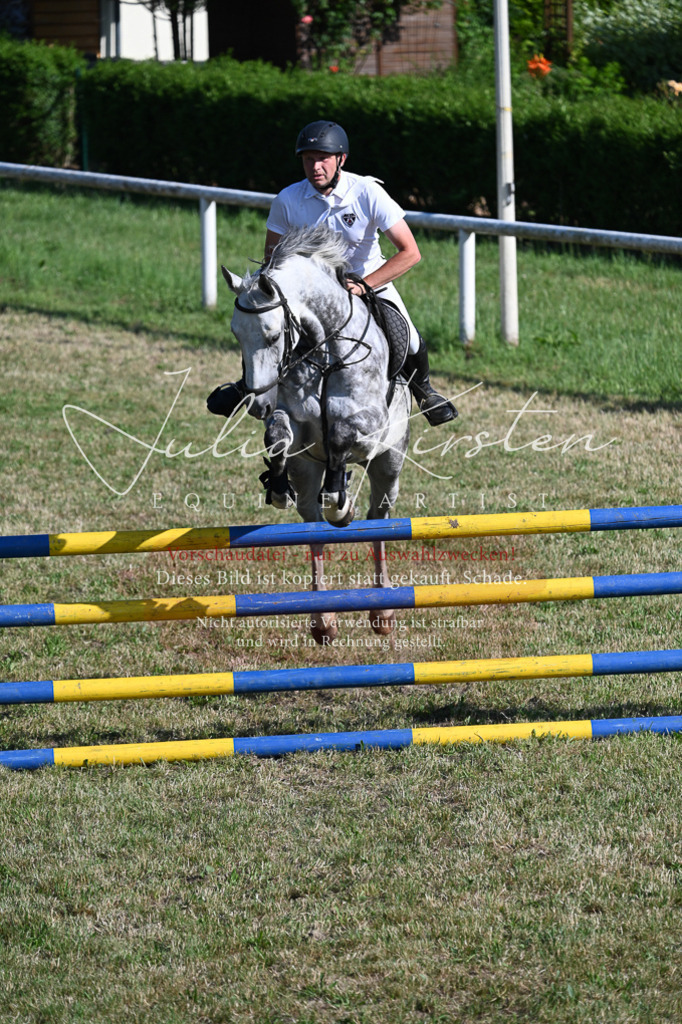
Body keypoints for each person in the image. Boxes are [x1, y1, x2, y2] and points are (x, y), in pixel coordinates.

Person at [208, 119, 457, 426]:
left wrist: (365, 285)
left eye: (323, 158)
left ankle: (425, 391)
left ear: (341, 159)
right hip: (310, 294)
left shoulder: (367, 193)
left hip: (368, 281)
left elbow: (411, 253)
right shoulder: (287, 200)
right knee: (268, 331)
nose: (315, 167)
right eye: (308, 159)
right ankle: (248, 385)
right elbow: (271, 260)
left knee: (410, 337)